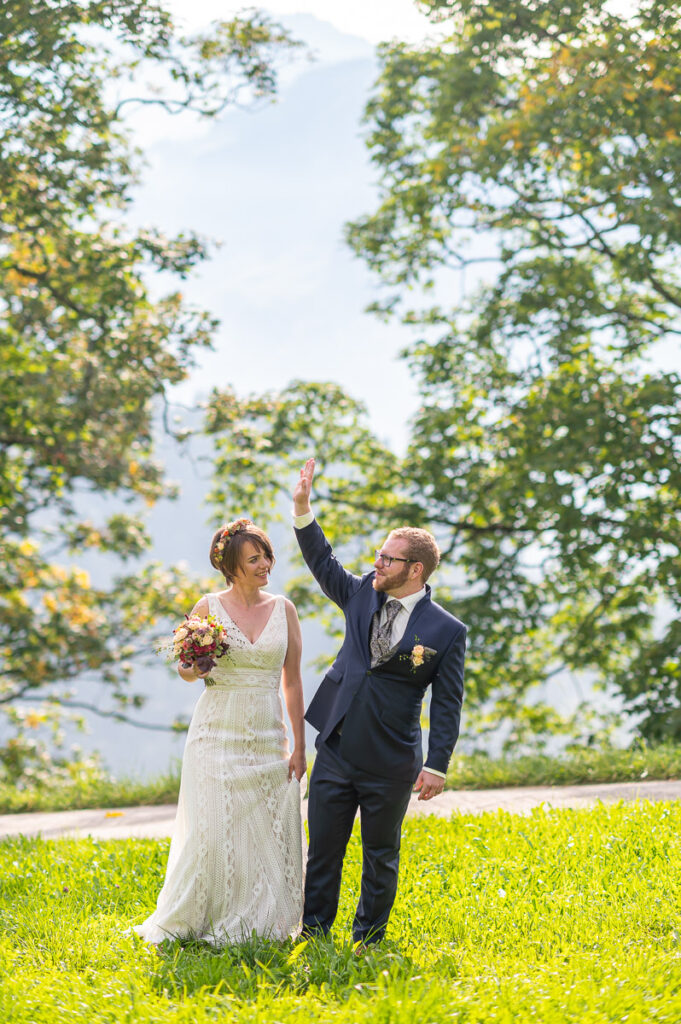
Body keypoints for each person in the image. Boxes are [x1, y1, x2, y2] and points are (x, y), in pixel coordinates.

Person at [292, 458, 466, 947]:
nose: (376, 563)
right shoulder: (358, 595)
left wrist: (437, 764)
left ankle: (368, 940)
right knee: (323, 850)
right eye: (377, 554)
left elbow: (448, 703)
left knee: (380, 855)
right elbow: (322, 560)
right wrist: (303, 509)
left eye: (387, 559)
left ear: (414, 570)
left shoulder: (447, 631)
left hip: (391, 759)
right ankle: (313, 933)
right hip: (338, 747)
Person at [134, 518, 306, 946]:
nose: (266, 563)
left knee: (267, 830)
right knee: (214, 832)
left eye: (267, 554)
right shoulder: (207, 608)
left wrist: (301, 745)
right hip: (215, 732)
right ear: (230, 566)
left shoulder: (284, 609)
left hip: (268, 735)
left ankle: (261, 919)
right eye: (254, 558)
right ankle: (200, 917)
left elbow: (293, 681)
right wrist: (194, 667)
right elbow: (185, 671)